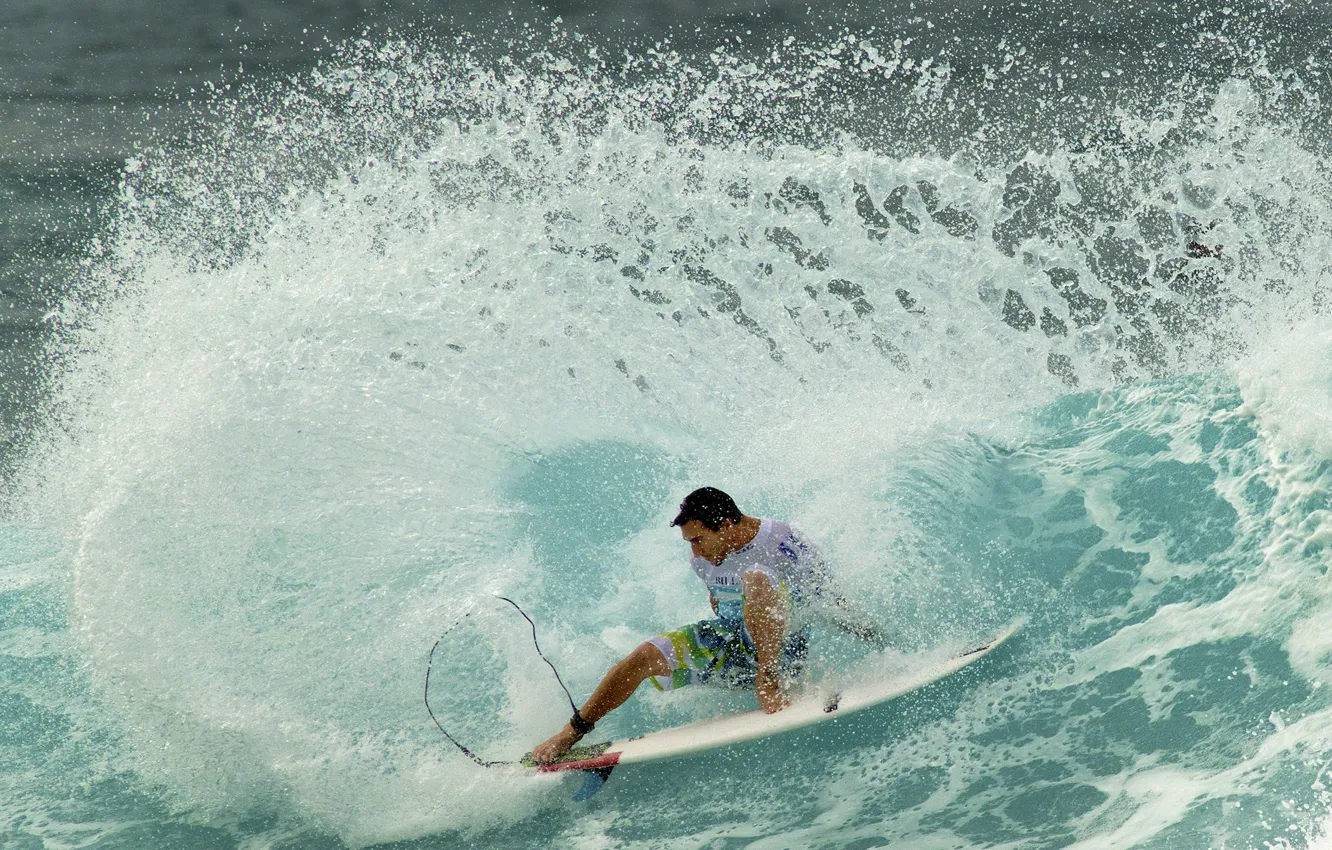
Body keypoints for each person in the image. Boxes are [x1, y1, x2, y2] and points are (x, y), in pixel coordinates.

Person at [531, 486, 885, 763]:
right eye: (689, 543)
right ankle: (571, 733)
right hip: (734, 647)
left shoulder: (782, 542)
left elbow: (832, 600)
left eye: (698, 540)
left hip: (782, 654)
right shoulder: (702, 556)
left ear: (727, 525)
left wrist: (880, 639)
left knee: (758, 579)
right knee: (643, 656)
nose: (695, 552)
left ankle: (769, 679)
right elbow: (717, 600)